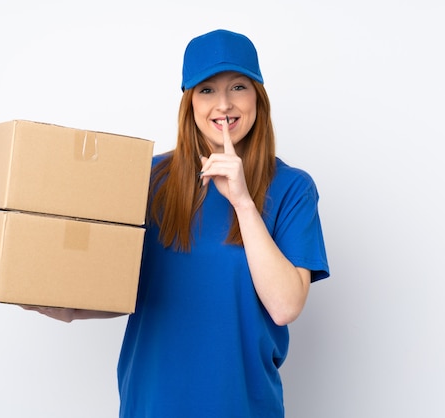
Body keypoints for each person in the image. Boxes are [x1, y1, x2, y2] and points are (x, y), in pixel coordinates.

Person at [25, 28, 329, 417]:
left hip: (239, 406)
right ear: (189, 102)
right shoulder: (151, 179)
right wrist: (70, 308)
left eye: (238, 87)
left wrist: (243, 202)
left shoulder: (292, 188)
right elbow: (138, 292)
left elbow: (285, 306)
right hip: (152, 402)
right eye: (206, 90)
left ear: (258, 97)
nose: (223, 104)